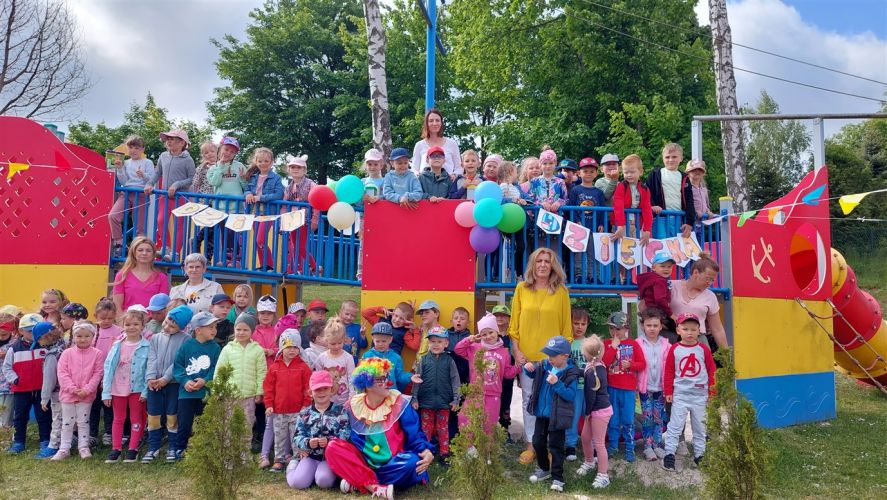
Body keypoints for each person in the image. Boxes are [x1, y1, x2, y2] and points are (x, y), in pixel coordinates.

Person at [326, 357, 434, 499]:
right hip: (364, 463)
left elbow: (415, 434)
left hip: (393, 464)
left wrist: (426, 451)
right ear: (368, 384)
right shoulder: (352, 406)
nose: (389, 383)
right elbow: (342, 437)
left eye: (387, 377)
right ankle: (374, 487)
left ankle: (360, 480)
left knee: (412, 463)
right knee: (332, 447)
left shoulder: (399, 402)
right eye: (381, 379)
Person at [509, 247, 572, 464]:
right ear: (532, 265)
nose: (543, 265)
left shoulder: (561, 292)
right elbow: (514, 326)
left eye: (547, 261)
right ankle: (531, 444)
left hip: (552, 360)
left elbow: (566, 330)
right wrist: (517, 351)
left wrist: (560, 358)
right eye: (539, 261)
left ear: (553, 266)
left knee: (552, 401)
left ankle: (551, 445)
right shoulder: (521, 289)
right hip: (527, 358)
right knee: (529, 400)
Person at [523, 336, 580, 493]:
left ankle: (558, 477)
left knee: (556, 447)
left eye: (553, 355)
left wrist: (557, 383)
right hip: (542, 414)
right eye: (548, 354)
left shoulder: (571, 373)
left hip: (558, 416)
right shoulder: (544, 365)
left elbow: (570, 395)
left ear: (565, 356)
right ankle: (544, 469)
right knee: (537, 442)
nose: (550, 358)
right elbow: (532, 374)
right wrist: (527, 368)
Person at [661, 313, 716, 472]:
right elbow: (669, 371)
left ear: (699, 330)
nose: (689, 333)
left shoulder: (703, 349)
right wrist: (668, 391)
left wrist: (712, 391)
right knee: (675, 426)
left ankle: (700, 455)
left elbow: (711, 370)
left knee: (700, 427)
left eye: (693, 329)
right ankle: (669, 454)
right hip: (680, 396)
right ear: (678, 330)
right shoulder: (675, 349)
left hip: (700, 396)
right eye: (685, 329)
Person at [454, 313, 519, 435]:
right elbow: (458, 349)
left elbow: (507, 373)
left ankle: (487, 447)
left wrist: (518, 367)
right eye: (484, 334)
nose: (488, 336)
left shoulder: (504, 352)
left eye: (491, 332)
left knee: (489, 425)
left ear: (497, 332)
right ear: (480, 335)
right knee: (465, 418)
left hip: (493, 395)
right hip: (475, 393)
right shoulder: (474, 348)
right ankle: (469, 445)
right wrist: (470, 339)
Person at [143, 305, 193, 463]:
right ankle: (153, 447)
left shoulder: (186, 339)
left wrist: (165, 379)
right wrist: (150, 378)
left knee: (172, 416)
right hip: (154, 384)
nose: (166, 327)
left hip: (173, 384)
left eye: (172, 326)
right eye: (166, 322)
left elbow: (178, 361)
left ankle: (173, 446)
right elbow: (151, 358)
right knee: (153, 416)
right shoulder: (155, 338)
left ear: (181, 327)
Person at [101, 309, 150, 463]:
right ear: (122, 326)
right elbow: (108, 368)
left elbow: (149, 370)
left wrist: (145, 391)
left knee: (136, 418)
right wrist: (106, 392)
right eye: (127, 324)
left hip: (137, 389)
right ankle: (116, 448)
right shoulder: (117, 345)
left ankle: (133, 448)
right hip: (118, 389)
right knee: (118, 418)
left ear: (142, 326)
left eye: (135, 324)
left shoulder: (147, 346)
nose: (131, 327)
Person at [51, 321, 104, 460]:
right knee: (67, 422)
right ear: (73, 336)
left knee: (83, 421)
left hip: (86, 395)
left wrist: (87, 389)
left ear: (93, 336)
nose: (82, 339)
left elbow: (98, 373)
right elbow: (62, 373)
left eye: (86, 336)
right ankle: (64, 448)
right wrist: (73, 389)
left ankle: (83, 447)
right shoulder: (66, 353)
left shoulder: (97, 354)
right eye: (79, 336)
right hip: (68, 395)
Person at [289, 370, 350, 490]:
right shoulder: (304, 413)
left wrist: (330, 441)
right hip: (311, 457)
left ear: (331, 390)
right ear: (310, 392)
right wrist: (307, 442)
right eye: (317, 389)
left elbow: (346, 433)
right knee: (298, 483)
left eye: (325, 388)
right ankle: (292, 467)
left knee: (324, 481)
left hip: (330, 458)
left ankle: (319, 474)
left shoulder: (340, 411)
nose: (321, 392)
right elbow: (297, 436)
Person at [173, 311, 222, 460]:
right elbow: (178, 366)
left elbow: (216, 368)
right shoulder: (186, 346)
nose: (214, 330)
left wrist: (205, 380)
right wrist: (185, 381)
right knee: (184, 422)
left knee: (205, 422)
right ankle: (180, 448)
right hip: (186, 393)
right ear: (198, 330)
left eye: (215, 327)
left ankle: (204, 449)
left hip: (205, 393)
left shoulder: (216, 348)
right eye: (210, 327)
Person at [214, 311, 267, 446]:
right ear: (234, 330)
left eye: (245, 330)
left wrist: (260, 392)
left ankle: (244, 454)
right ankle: (229, 453)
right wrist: (218, 390)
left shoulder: (257, 350)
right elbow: (220, 370)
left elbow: (261, 372)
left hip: (249, 396)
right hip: (230, 396)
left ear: (252, 331)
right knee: (228, 426)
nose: (241, 333)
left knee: (246, 425)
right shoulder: (228, 349)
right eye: (238, 329)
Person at [263, 329, 312, 472]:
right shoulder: (274, 368)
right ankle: (279, 460)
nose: (292, 350)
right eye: (288, 347)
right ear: (281, 348)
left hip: (298, 411)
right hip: (279, 411)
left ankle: (296, 460)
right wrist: (269, 405)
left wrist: (305, 405)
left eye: (295, 347)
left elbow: (308, 388)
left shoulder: (303, 367)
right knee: (279, 437)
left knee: (296, 437)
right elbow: (268, 388)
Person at [2, 314, 50, 453]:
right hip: (21, 389)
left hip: (41, 389)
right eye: (30, 331)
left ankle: (45, 440)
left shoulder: (47, 346)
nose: (34, 334)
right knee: (20, 416)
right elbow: (7, 367)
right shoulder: (14, 348)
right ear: (21, 331)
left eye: (37, 331)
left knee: (43, 415)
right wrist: (15, 379)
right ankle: (19, 442)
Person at [602, 311, 646, 462]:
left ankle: (629, 447)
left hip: (628, 390)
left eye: (618, 328)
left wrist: (631, 365)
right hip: (611, 388)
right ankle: (613, 446)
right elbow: (604, 363)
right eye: (611, 328)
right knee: (613, 419)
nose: (614, 332)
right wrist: (613, 347)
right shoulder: (606, 344)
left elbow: (642, 364)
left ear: (626, 328)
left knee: (628, 419)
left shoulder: (633, 344)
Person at [144, 129, 196, 258]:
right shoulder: (163, 156)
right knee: (161, 221)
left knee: (179, 224)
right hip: (165, 196)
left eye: (172, 139)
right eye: (167, 139)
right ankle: (166, 248)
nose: (168, 141)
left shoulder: (188, 160)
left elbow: (192, 179)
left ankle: (175, 253)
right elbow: (157, 172)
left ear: (182, 143)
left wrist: (177, 184)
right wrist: (149, 183)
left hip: (181, 197)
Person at [410, 328, 460, 461]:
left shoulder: (450, 361)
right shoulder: (423, 360)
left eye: (439, 341)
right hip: (426, 401)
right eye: (433, 341)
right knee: (425, 429)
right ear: (428, 343)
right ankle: (426, 453)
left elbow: (455, 380)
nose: (436, 344)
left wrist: (456, 399)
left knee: (443, 428)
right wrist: (414, 398)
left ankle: (444, 454)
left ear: (446, 343)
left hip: (444, 402)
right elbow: (417, 380)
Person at [576, 334, 612, 489]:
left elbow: (590, 397)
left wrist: (587, 413)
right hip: (595, 410)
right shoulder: (594, 366)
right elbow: (584, 371)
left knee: (599, 443)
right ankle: (589, 462)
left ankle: (603, 475)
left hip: (599, 412)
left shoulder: (593, 372)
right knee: (585, 437)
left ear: (585, 354)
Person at [669, 255, 728, 350]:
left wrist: (725, 353)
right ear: (696, 272)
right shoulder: (671, 286)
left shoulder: (710, 296)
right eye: (707, 278)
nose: (709, 283)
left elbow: (717, 329)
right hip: (671, 337)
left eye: (712, 280)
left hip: (698, 341)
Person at [637, 307, 671, 462]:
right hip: (645, 387)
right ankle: (647, 446)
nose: (652, 328)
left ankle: (657, 445)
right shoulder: (638, 344)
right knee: (647, 417)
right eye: (648, 325)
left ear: (661, 326)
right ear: (642, 325)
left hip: (660, 388)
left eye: (655, 325)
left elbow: (670, 366)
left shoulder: (666, 345)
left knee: (659, 417)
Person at [109, 134, 155, 249]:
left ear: (142, 149)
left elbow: (152, 180)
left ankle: (139, 250)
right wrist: (120, 169)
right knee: (113, 216)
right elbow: (124, 181)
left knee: (140, 226)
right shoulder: (126, 162)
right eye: (130, 147)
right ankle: (119, 243)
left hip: (141, 194)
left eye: (137, 148)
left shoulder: (147, 162)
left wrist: (143, 175)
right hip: (126, 193)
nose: (133, 150)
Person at [245, 147, 285, 271]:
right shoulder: (253, 177)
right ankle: (264, 265)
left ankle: (270, 265)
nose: (263, 163)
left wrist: (260, 198)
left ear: (271, 162)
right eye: (260, 161)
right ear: (256, 162)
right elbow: (246, 189)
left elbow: (278, 194)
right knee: (258, 241)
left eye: (266, 161)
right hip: (254, 211)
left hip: (268, 213)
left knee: (260, 239)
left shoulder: (276, 178)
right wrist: (248, 194)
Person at [645, 143, 694, 239]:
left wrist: (689, 222)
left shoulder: (685, 177)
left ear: (681, 158)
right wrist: (652, 205)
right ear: (663, 158)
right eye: (667, 157)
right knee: (662, 245)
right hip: (660, 217)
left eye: (674, 157)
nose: (670, 160)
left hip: (679, 218)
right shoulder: (655, 174)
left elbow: (689, 200)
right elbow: (646, 193)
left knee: (677, 247)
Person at [569, 159, 606, 282]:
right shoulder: (575, 190)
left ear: (596, 173)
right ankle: (579, 275)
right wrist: (576, 221)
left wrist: (601, 223)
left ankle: (594, 276)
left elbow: (602, 210)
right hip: (578, 227)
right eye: (585, 171)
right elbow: (571, 208)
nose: (588, 174)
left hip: (593, 227)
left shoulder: (599, 192)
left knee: (593, 253)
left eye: (591, 171)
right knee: (578, 253)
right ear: (579, 173)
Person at [91, 298, 121, 447]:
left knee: (109, 406)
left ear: (115, 315)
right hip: (93, 375)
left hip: (111, 375)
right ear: (95, 315)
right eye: (103, 318)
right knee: (93, 405)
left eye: (110, 318)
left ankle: (109, 432)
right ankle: (92, 433)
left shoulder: (119, 331)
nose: (106, 321)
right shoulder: (92, 331)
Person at [111, 237, 170, 313]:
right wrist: (124, 320)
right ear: (134, 253)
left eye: (148, 250)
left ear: (153, 254)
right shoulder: (122, 275)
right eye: (140, 250)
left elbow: (163, 308)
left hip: (152, 320)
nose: (144, 253)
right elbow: (117, 307)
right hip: (127, 319)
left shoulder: (162, 278)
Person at [282, 154, 319, 274]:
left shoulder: (311, 184)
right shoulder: (288, 187)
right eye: (292, 167)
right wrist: (283, 221)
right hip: (292, 219)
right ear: (289, 169)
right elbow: (284, 205)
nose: (295, 169)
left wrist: (315, 219)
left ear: (304, 170)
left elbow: (317, 201)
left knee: (300, 246)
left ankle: (315, 267)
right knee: (294, 245)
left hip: (305, 219)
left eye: (299, 167)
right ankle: (298, 269)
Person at [37, 322, 66, 458]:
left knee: (57, 418)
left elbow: (49, 379)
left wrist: (44, 398)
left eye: (39, 340)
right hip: (70, 390)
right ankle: (68, 442)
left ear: (45, 337)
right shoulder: (65, 346)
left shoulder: (51, 355)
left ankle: (53, 445)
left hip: (57, 393)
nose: (39, 343)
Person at [565, 308, 590, 462]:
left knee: (589, 416)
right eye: (576, 323)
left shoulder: (590, 343)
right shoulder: (567, 343)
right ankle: (570, 445)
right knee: (573, 417)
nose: (579, 327)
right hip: (573, 387)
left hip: (588, 387)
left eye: (583, 324)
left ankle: (591, 444)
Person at [611, 154, 652, 246]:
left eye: (632, 172)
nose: (629, 175)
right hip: (622, 223)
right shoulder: (621, 186)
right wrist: (620, 226)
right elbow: (618, 206)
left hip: (637, 223)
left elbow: (647, 209)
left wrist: (647, 230)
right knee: (621, 248)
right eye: (626, 172)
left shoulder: (645, 189)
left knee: (637, 248)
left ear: (640, 172)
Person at [314, 318, 355, 406]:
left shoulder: (348, 358)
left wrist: (351, 398)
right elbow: (318, 379)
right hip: (327, 401)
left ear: (344, 340)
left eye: (340, 343)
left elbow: (352, 379)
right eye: (333, 344)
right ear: (326, 341)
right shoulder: (321, 358)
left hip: (345, 401)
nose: (337, 346)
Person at [361, 323, 413, 392]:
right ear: (372, 338)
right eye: (377, 341)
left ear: (390, 339)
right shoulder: (367, 356)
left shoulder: (396, 357)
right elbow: (362, 375)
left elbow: (399, 375)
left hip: (390, 392)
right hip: (373, 393)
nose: (380, 344)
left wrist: (410, 377)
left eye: (384, 341)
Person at [411, 108, 462, 176]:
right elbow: (414, 169)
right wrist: (418, 175)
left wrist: (454, 175)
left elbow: (459, 167)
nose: (434, 123)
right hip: (425, 182)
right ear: (426, 124)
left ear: (441, 123)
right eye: (431, 121)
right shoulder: (419, 145)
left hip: (447, 182)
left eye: (437, 120)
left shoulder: (452, 144)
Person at [492, 305, 516, 438]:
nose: (499, 318)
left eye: (503, 315)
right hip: (492, 378)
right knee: (491, 404)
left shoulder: (512, 337)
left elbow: (516, 357)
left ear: (509, 318)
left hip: (507, 378)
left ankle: (504, 430)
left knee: (506, 403)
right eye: (496, 315)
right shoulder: (490, 335)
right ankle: (490, 431)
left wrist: (519, 376)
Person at [637, 251, 676, 332]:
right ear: (654, 268)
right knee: (675, 326)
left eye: (669, 267)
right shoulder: (659, 281)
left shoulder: (651, 278)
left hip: (650, 310)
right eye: (662, 266)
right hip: (657, 311)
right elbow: (660, 299)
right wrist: (671, 314)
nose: (666, 269)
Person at [527, 149, 567, 213]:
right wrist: (540, 203)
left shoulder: (560, 182)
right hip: (539, 215)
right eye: (545, 163)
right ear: (540, 165)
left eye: (551, 163)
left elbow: (566, 199)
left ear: (555, 164)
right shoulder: (534, 181)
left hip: (556, 216)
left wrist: (559, 202)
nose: (548, 166)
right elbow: (529, 200)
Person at [686, 159, 714, 242]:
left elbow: (705, 204)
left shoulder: (704, 190)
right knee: (689, 246)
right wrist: (694, 211)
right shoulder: (687, 188)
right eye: (694, 170)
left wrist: (708, 212)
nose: (697, 172)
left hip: (700, 224)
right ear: (688, 173)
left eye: (700, 170)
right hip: (690, 224)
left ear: (703, 173)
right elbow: (685, 203)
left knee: (699, 246)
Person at [337, 300, 366, 365]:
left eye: (353, 316)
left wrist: (363, 335)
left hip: (353, 363)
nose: (349, 317)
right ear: (340, 312)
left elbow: (364, 345)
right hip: (337, 361)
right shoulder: (335, 326)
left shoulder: (358, 328)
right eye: (346, 314)